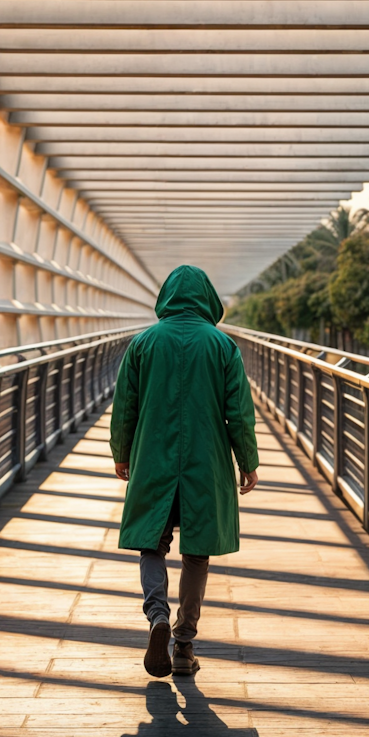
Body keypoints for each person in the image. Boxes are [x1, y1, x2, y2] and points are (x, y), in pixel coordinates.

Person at [110, 263, 259, 678]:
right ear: (207, 298)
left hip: (152, 461)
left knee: (151, 546)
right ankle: (183, 644)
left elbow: (125, 406)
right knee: (197, 554)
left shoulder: (143, 344)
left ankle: (156, 616)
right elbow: (239, 415)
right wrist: (248, 462)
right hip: (205, 464)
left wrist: (121, 453)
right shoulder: (222, 346)